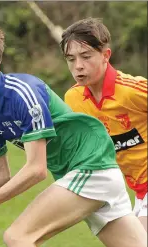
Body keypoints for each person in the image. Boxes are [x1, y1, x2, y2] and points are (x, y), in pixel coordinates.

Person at [0, 23, 147, 247]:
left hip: (91, 169)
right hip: (84, 175)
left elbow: (36, 169)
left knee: (19, 237)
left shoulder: (24, 92)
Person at [62, 17, 147, 232]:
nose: (78, 66)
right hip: (137, 191)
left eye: (86, 56)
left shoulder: (132, 90)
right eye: (70, 59)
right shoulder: (73, 99)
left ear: (106, 56)